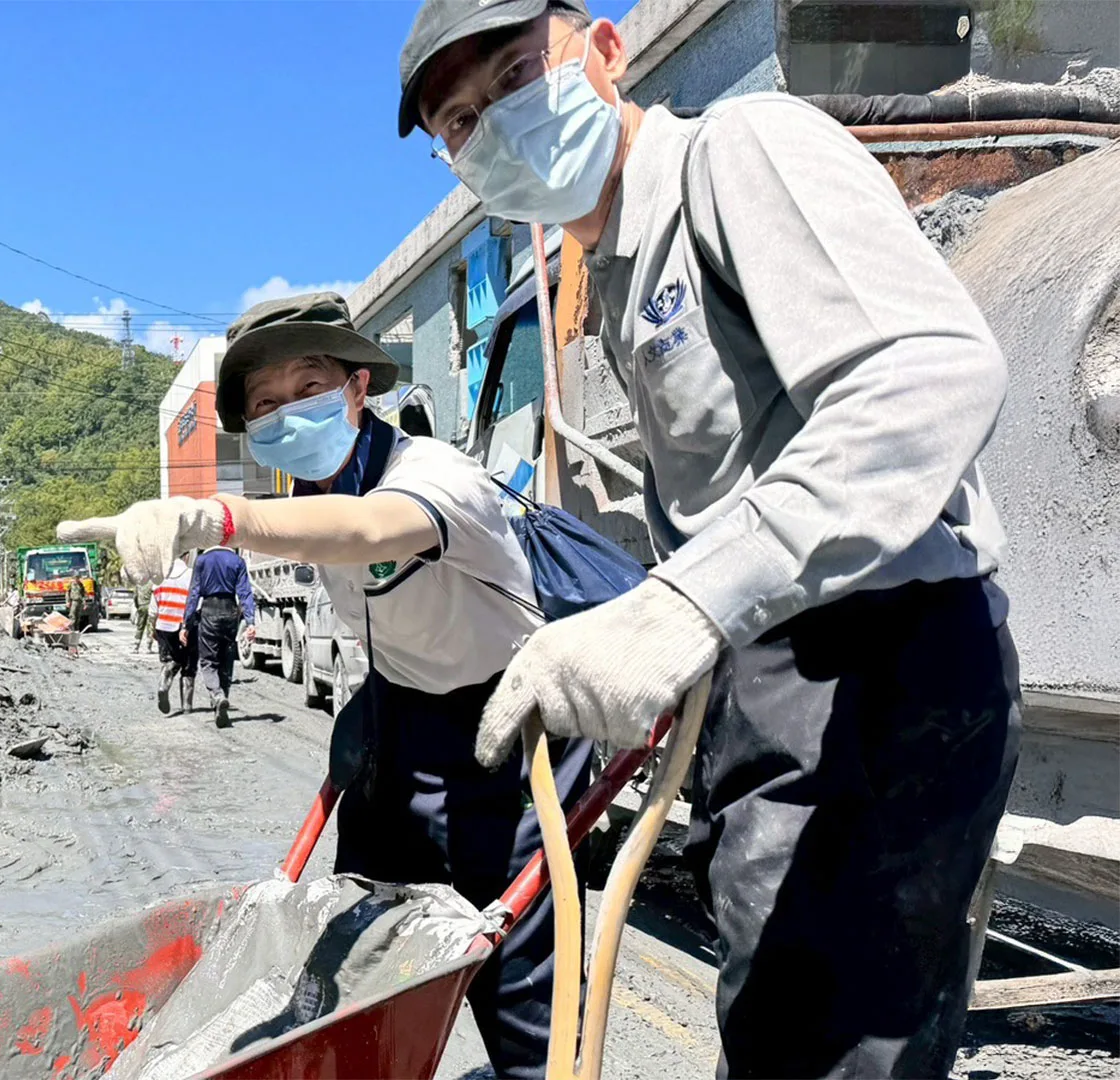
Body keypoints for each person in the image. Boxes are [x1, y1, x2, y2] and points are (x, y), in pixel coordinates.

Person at [397, 2, 1022, 1075]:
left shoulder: (738, 154)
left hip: (878, 665)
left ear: (604, 50)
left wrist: (685, 607)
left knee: (823, 1053)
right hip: (776, 675)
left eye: (514, 76)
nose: (493, 125)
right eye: (461, 122)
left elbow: (929, 374)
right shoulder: (619, 271)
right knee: (771, 1027)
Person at [59, 292, 591, 1076]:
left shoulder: (432, 472)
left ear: (356, 387)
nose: (287, 413)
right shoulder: (308, 495)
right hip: (400, 717)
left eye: (307, 386)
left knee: (510, 965)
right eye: (265, 403)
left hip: (509, 728)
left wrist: (217, 518)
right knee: (356, 931)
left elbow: (369, 530)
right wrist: (378, 706)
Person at [179, 543, 255, 729]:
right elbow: (245, 592)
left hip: (209, 612)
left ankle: (217, 695)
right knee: (226, 660)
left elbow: (194, 594)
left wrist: (186, 624)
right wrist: (250, 622)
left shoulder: (202, 560)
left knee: (208, 661)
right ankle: (221, 706)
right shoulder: (237, 561)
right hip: (230, 612)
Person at [152, 553, 195, 714]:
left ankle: (163, 684)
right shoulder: (191, 575)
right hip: (184, 626)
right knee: (188, 664)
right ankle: (187, 706)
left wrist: (153, 628)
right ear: (186, 556)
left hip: (163, 625)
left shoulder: (159, 577)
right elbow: (196, 602)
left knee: (169, 660)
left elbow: (152, 609)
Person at [131, 579, 155, 653]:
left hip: (141, 606)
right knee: (150, 627)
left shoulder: (138, 584)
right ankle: (148, 648)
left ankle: (136, 647)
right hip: (150, 606)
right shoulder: (152, 583)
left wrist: (137, 606)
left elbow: (135, 596)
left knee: (140, 627)